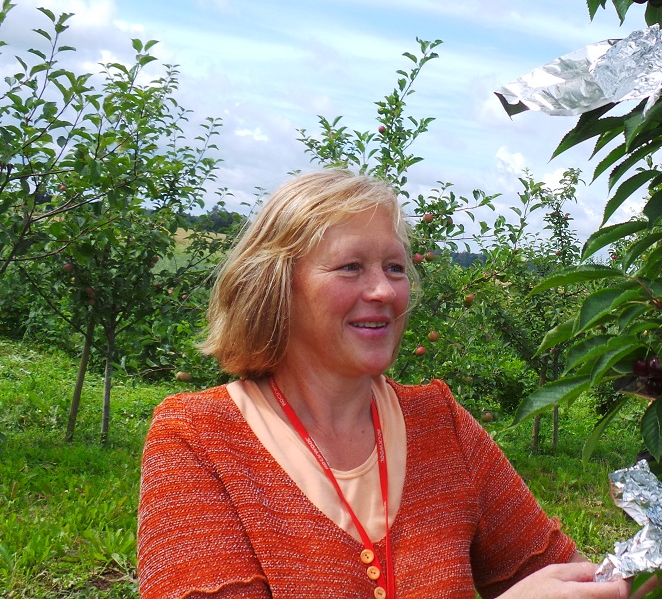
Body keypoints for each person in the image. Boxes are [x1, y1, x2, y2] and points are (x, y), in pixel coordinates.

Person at [137, 170, 628, 599]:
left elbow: (567, 578)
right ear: (277, 283)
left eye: (395, 268)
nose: (384, 291)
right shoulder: (199, 438)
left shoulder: (439, 425)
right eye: (351, 267)